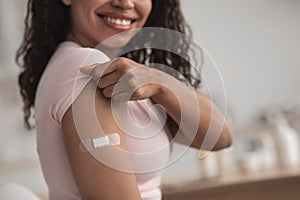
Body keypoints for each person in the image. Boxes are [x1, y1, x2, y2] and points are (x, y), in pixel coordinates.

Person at [16, 0, 233, 199]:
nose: (125, 3)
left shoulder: (119, 74)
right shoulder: (86, 67)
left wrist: (162, 83)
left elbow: (219, 137)